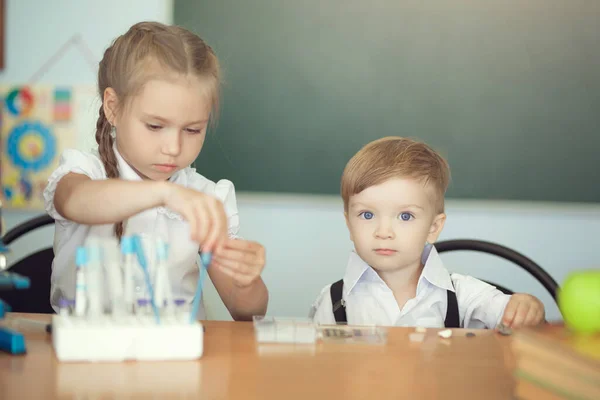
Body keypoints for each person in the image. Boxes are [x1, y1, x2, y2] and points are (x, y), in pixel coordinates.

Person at [44, 22, 268, 320]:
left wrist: (246, 281)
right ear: (112, 107)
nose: (173, 147)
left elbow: (247, 312)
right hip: (85, 357)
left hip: (178, 360)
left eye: (192, 129)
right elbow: (75, 201)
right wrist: (164, 194)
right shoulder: (84, 171)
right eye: (155, 126)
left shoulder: (206, 196)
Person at [310, 137, 545, 328]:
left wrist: (526, 306)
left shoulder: (462, 295)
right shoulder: (332, 301)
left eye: (405, 216)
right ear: (349, 224)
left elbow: (511, 314)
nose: (383, 232)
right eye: (367, 215)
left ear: (433, 228)